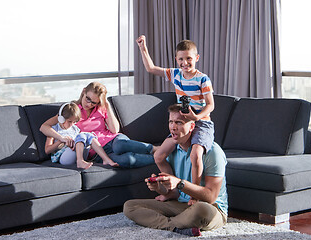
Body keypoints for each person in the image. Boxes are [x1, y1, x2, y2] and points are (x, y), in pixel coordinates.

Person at [123, 104, 228, 237]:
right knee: (129, 206)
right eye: (171, 122)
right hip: (181, 205)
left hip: (212, 208)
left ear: (191, 126)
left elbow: (211, 197)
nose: (173, 127)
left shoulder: (213, 152)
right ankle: (176, 227)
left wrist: (179, 183)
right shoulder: (172, 151)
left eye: (179, 122)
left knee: (201, 209)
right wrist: (159, 188)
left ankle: (167, 224)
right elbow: (174, 194)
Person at [136, 35, 215, 205]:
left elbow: (210, 105)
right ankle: (173, 192)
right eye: (181, 59)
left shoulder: (203, 79)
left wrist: (197, 117)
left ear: (196, 58)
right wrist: (143, 48)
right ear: (176, 59)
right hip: (182, 122)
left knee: (195, 155)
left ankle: (194, 195)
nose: (184, 63)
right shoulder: (175, 74)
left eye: (188, 59)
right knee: (159, 156)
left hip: (202, 122)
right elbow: (150, 68)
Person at [40, 82, 156, 169]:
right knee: (127, 160)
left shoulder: (101, 108)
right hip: (97, 152)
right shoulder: (72, 110)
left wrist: (107, 106)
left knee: (119, 146)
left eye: (93, 102)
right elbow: (44, 127)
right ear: (83, 91)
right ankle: (160, 158)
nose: (89, 104)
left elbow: (114, 130)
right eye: (88, 99)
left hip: (113, 140)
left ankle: (154, 149)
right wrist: (61, 138)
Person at [45, 102, 119, 169]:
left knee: (88, 135)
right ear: (61, 119)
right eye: (69, 121)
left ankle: (105, 159)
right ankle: (80, 162)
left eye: (74, 122)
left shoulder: (75, 129)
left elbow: (81, 141)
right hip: (63, 158)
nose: (71, 125)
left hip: (76, 154)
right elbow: (47, 150)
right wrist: (60, 141)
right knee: (82, 135)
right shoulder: (54, 130)